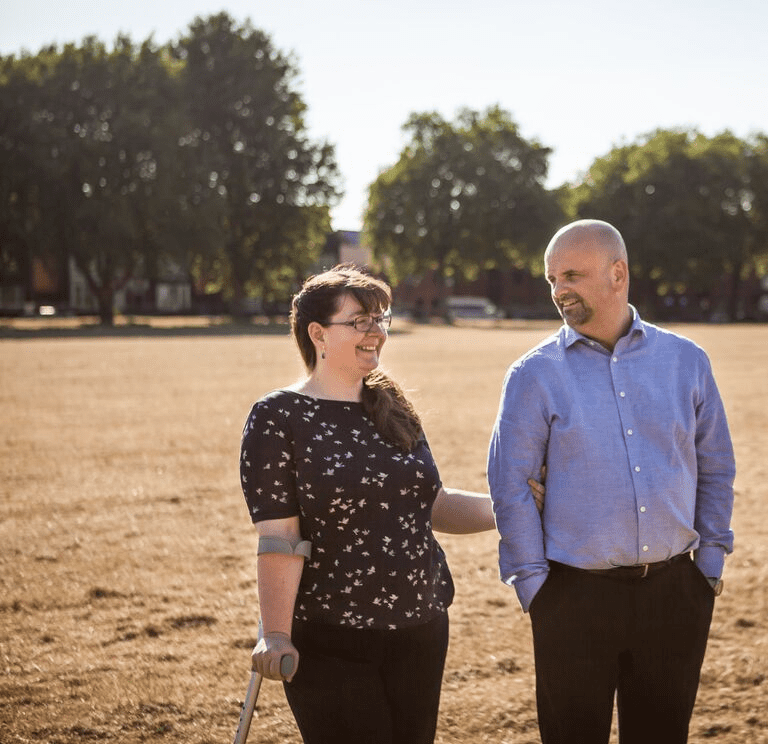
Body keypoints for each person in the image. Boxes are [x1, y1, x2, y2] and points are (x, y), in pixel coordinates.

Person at [239, 265, 539, 744]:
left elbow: (433, 504)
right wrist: (275, 634)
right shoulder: (279, 417)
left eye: (381, 319)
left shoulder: (392, 406)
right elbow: (280, 535)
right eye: (359, 321)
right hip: (330, 634)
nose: (376, 332)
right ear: (317, 333)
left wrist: (517, 507)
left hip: (421, 625)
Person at [488, 220, 736, 744]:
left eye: (572, 275)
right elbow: (510, 485)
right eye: (552, 279)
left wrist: (707, 566)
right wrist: (536, 589)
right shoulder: (532, 376)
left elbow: (715, 466)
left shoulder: (686, 361)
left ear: (617, 273)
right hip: (572, 599)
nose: (559, 291)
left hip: (675, 594)